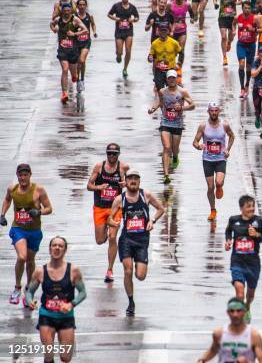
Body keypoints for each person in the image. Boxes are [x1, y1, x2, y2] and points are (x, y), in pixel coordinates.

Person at [108, 170, 165, 316]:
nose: (133, 181)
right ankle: (131, 302)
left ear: (139, 181)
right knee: (128, 271)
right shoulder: (119, 199)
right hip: (126, 239)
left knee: (140, 276)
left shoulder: (146, 195)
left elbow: (161, 209)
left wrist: (152, 221)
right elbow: (109, 218)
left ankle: (138, 265)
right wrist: (114, 223)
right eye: (130, 179)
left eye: (136, 179)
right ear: (126, 182)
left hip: (142, 240)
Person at [25, 236, 87, 363]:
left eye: (60, 246)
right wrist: (30, 301)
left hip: (66, 318)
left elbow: (83, 293)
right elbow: (29, 291)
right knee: (48, 355)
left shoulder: (73, 270)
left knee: (66, 357)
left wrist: (71, 304)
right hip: (46, 316)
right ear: (49, 249)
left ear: (65, 250)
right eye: (54, 245)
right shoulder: (40, 271)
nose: (57, 248)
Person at [1, 164, 53, 306]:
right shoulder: (13, 189)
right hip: (18, 229)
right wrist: (2, 214)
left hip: (34, 231)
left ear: (30, 175)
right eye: (20, 175)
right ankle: (17, 287)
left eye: (25, 175)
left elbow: (49, 208)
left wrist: (39, 212)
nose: (23, 178)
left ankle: (29, 289)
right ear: (17, 175)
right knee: (22, 257)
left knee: (30, 261)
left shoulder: (38, 190)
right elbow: (7, 199)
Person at [225, 195, 262, 323]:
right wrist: (228, 241)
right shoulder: (233, 220)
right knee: (240, 293)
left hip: (253, 264)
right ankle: (239, 320)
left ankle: (247, 307)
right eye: (248, 207)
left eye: (253, 206)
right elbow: (228, 231)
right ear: (241, 208)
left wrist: (257, 234)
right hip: (237, 262)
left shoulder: (260, 221)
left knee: (250, 295)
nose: (252, 209)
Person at [86, 143, 130, 283]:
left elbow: (133, 184)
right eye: (109, 153)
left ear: (118, 154)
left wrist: (126, 184)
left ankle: (109, 270)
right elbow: (88, 186)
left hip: (115, 208)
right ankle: (105, 225)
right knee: (100, 240)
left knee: (112, 237)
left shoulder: (123, 168)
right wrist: (99, 187)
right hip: (99, 207)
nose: (111, 156)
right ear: (106, 154)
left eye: (114, 153)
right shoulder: (99, 167)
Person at [148, 69, 195, 184]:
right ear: (167, 80)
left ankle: (175, 156)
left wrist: (182, 108)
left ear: (176, 79)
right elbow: (159, 102)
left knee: (174, 149)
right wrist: (153, 108)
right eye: (169, 78)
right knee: (166, 147)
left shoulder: (182, 92)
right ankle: (166, 175)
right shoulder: (162, 91)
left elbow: (193, 105)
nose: (172, 80)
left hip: (177, 124)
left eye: (174, 78)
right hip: (165, 122)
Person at [192, 102, 235, 221]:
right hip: (207, 159)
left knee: (219, 182)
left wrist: (227, 149)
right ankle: (213, 210)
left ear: (219, 111)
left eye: (216, 110)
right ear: (208, 112)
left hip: (220, 158)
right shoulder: (203, 126)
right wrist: (198, 146)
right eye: (212, 110)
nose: (214, 113)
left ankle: (220, 187)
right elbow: (195, 141)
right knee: (210, 187)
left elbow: (232, 136)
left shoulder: (224, 125)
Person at [196, 298, 262, 362]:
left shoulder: (254, 335)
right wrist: (202, 360)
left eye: (238, 311)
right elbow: (213, 349)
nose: (235, 315)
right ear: (227, 312)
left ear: (244, 312)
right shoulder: (219, 333)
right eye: (232, 311)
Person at [50, 2, 88, 103]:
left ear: (71, 10)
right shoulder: (59, 20)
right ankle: (64, 93)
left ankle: (75, 76)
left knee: (73, 74)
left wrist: (74, 33)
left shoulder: (75, 19)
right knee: (65, 69)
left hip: (73, 51)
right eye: (65, 11)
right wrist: (54, 29)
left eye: (68, 10)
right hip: (62, 50)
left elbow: (86, 30)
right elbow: (51, 23)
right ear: (62, 11)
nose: (66, 12)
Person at [107, 0, 139, 78]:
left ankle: (125, 68)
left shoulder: (132, 7)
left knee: (128, 50)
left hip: (129, 31)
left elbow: (137, 17)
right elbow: (109, 14)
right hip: (119, 32)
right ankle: (118, 55)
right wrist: (115, 18)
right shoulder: (116, 6)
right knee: (120, 51)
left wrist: (133, 20)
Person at [213, 0, 242, 66]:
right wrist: (215, 4)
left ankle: (229, 42)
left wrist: (236, 3)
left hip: (233, 17)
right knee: (223, 37)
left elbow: (241, 0)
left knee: (231, 36)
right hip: (222, 16)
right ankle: (224, 57)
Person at [147, 22, 181, 93]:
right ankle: (161, 103)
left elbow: (181, 53)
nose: (163, 32)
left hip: (171, 69)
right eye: (161, 30)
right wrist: (150, 58)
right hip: (159, 70)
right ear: (158, 31)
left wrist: (179, 63)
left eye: (165, 30)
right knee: (160, 90)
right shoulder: (154, 43)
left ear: (168, 31)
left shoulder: (174, 42)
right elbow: (151, 55)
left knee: (172, 89)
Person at [234, 2, 258, 98]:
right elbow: (233, 24)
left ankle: (247, 85)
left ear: (250, 9)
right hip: (241, 44)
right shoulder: (238, 18)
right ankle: (242, 88)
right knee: (241, 64)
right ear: (242, 8)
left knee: (248, 67)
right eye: (245, 8)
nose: (247, 10)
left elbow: (259, 30)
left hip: (251, 45)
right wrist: (232, 30)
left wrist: (252, 29)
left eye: (248, 8)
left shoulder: (254, 18)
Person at [75, 0, 96, 93]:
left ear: (86, 6)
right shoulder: (74, 16)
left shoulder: (89, 16)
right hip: (75, 42)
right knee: (77, 63)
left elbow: (93, 24)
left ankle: (82, 80)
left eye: (84, 5)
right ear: (77, 6)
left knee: (82, 60)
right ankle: (78, 79)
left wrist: (94, 32)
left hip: (86, 42)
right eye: (80, 4)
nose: (82, 6)